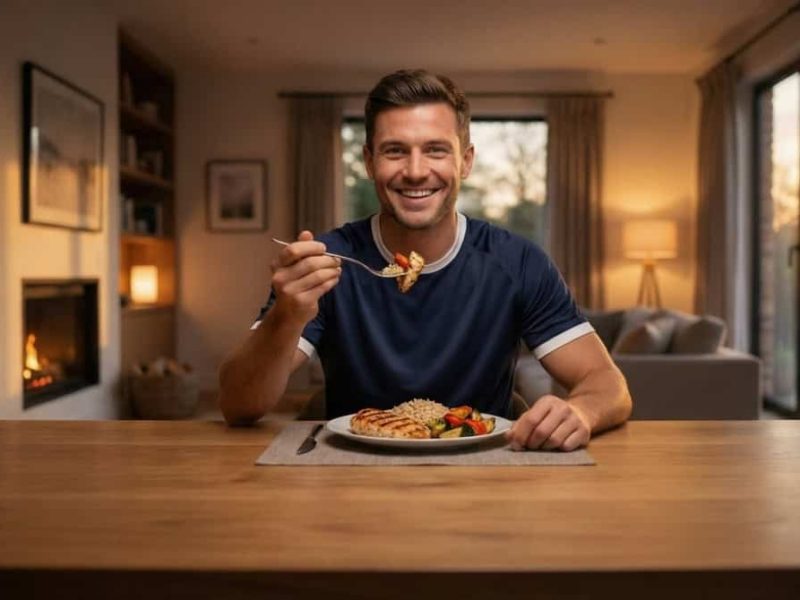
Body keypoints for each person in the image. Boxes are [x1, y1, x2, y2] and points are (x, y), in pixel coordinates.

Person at [218, 69, 631, 451]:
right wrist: (287, 314)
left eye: (435, 150)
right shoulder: (328, 263)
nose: (416, 171)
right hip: (350, 476)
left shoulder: (518, 261)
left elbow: (608, 384)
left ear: (464, 161)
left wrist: (579, 411)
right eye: (395, 151)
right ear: (368, 162)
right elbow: (239, 404)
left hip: (487, 477)